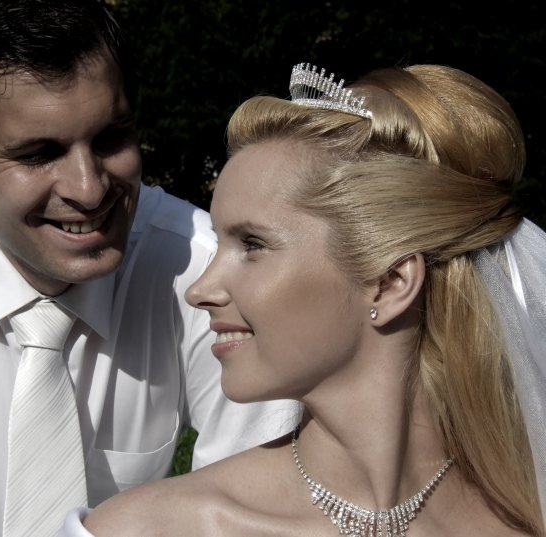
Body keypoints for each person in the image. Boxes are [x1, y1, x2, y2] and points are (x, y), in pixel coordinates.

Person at [65, 62, 546, 536]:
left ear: (390, 282)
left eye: (252, 245)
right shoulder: (150, 529)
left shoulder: (524, 518)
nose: (199, 290)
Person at [0, 1, 300, 536]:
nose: (89, 189)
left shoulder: (208, 272)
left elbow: (257, 513)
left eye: (111, 138)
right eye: (38, 154)